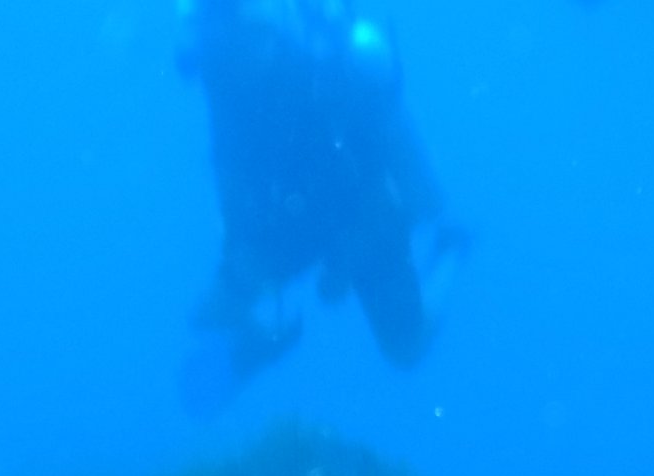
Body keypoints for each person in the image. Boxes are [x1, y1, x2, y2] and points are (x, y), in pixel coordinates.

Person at [176, 0, 467, 412]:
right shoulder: (221, 77)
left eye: (229, 43)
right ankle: (265, 343)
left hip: (364, 212)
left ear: (259, 30)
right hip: (291, 216)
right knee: (209, 314)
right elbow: (229, 170)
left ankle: (452, 249)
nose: (222, 57)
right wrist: (237, 256)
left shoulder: (324, 64)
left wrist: (355, 255)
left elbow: (396, 161)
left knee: (406, 347)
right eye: (212, 45)